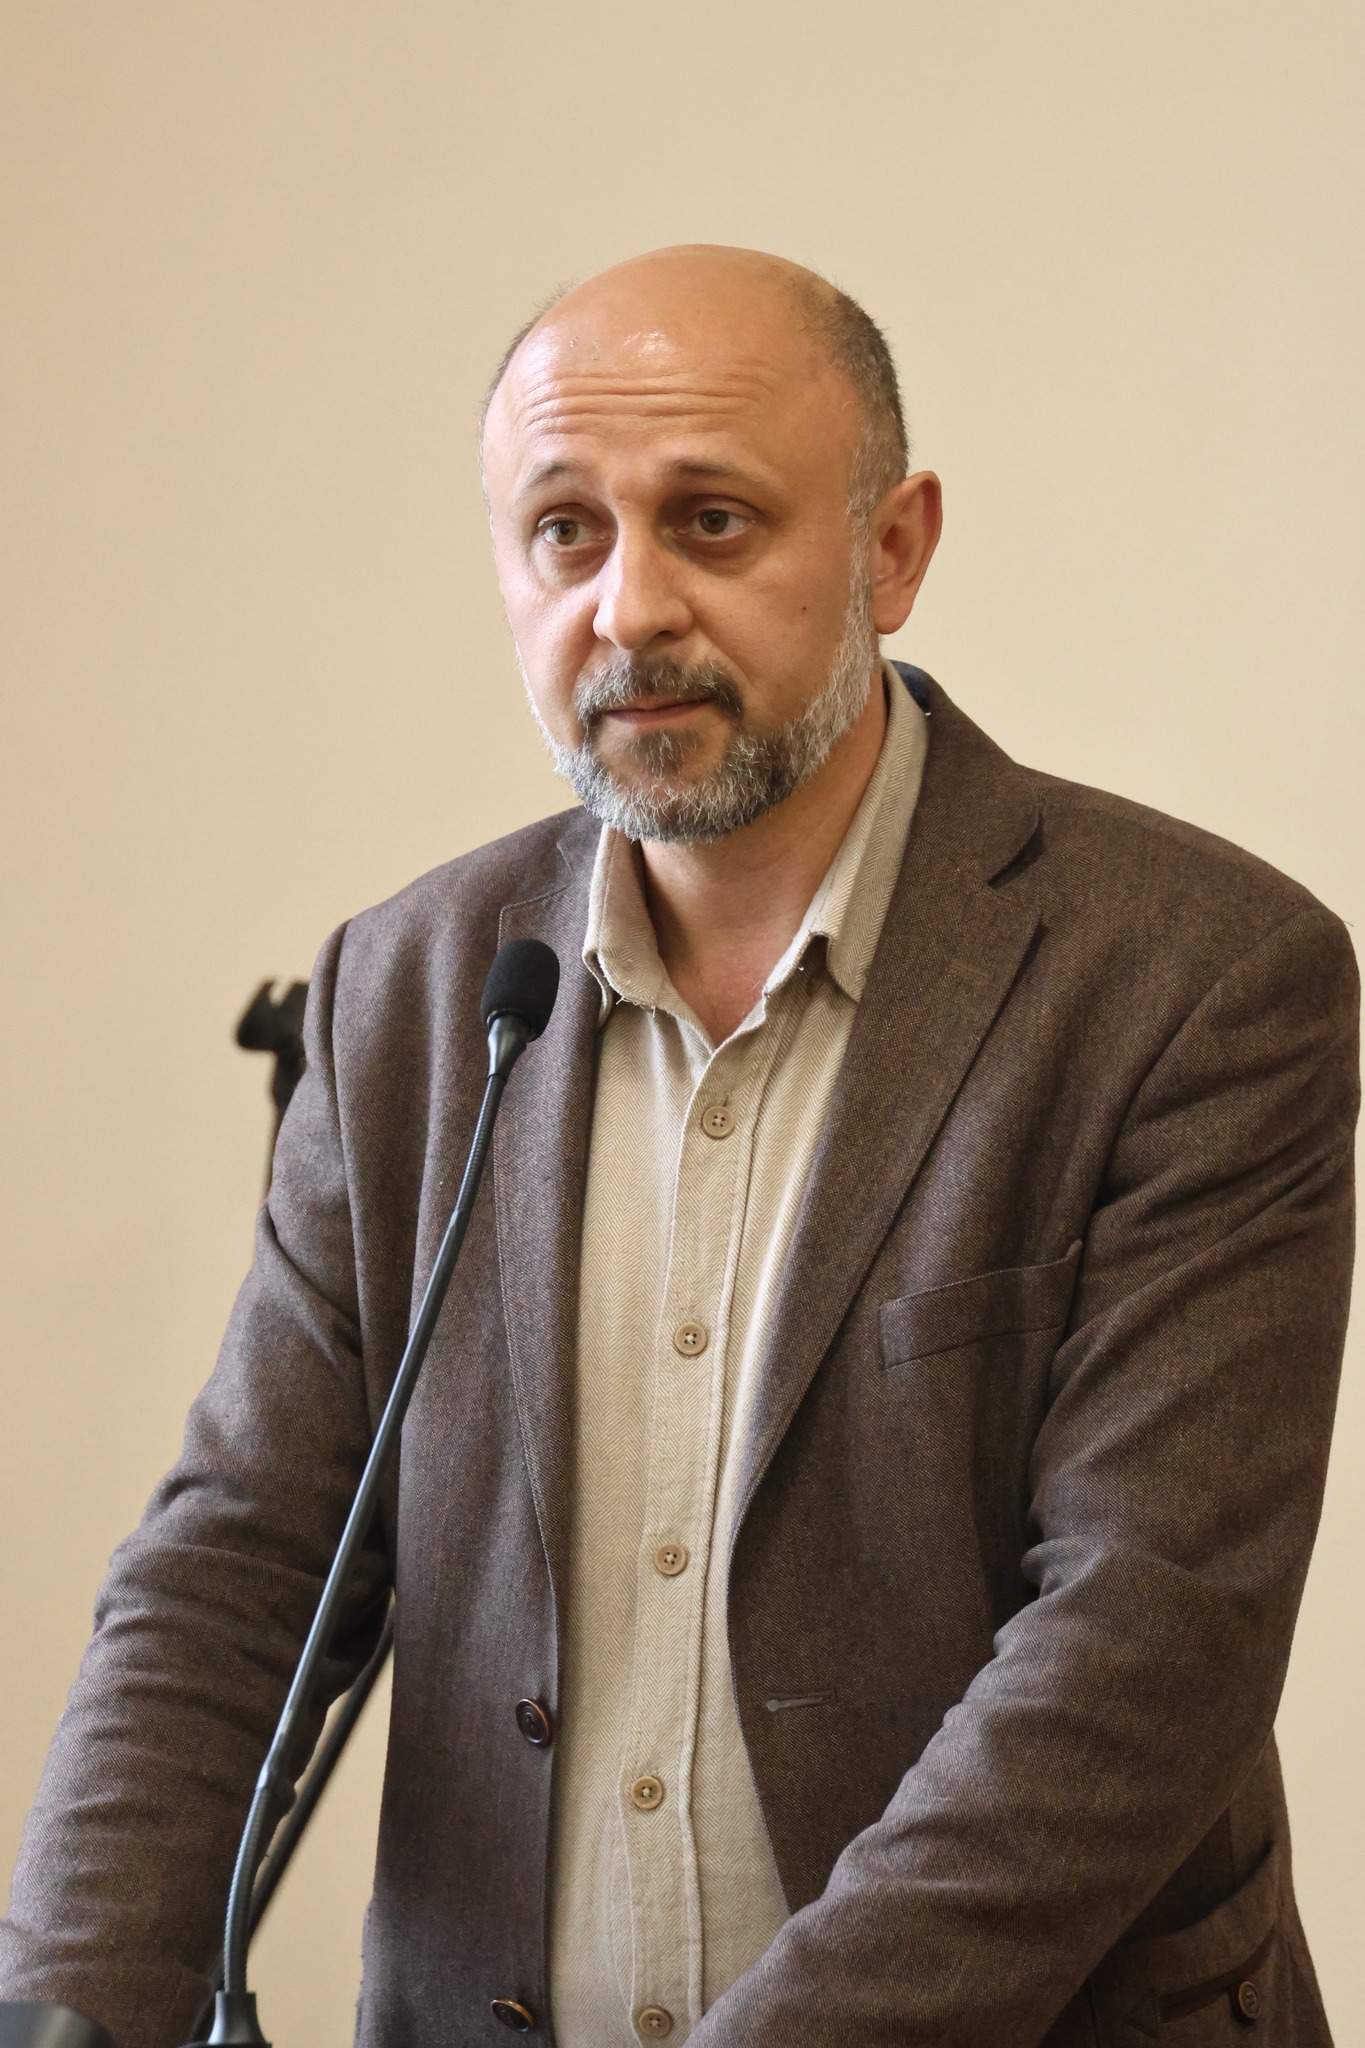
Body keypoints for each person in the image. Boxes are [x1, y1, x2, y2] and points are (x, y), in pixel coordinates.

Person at [0, 244, 1357, 2048]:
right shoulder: (409, 993)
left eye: (712, 523)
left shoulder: (1196, 977)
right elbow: (237, 1566)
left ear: (890, 549)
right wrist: (69, 2009)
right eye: (563, 531)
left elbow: (1145, 1640)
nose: (627, 607)